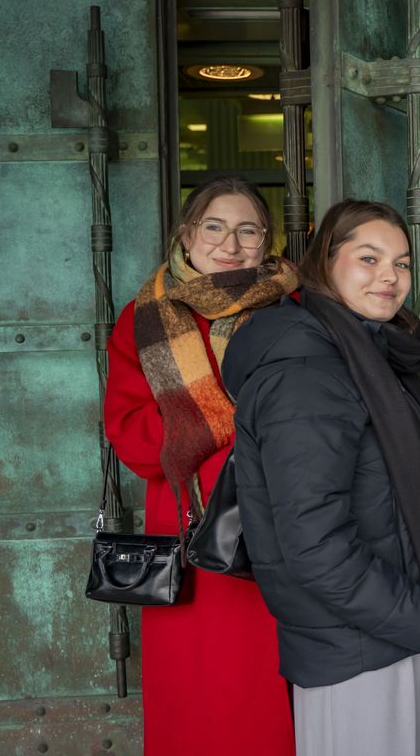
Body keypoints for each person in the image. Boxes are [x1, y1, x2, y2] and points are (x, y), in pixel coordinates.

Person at [220, 199, 420, 756]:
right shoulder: (306, 375)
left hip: (407, 626)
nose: (390, 276)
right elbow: (315, 546)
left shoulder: (370, 356)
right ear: (325, 262)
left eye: (402, 263)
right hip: (359, 648)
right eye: (369, 258)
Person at [103, 176, 299, 755]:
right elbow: (130, 435)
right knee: (194, 701)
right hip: (188, 535)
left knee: (269, 696)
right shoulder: (142, 318)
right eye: (214, 227)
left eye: (247, 230)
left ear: (267, 240)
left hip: (277, 524)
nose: (230, 244)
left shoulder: (294, 310)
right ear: (187, 235)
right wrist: (229, 417)